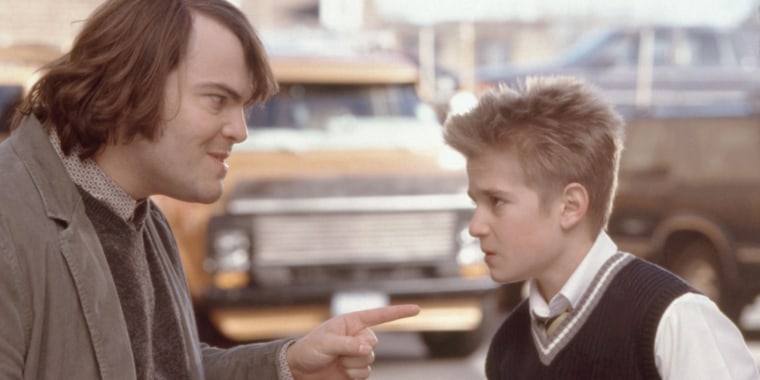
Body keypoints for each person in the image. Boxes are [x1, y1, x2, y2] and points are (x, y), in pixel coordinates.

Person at [0, 0, 419, 379]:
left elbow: (165, 367)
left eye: (244, 107)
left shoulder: (141, 216)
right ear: (129, 88)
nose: (240, 130)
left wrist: (286, 366)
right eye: (217, 100)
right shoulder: (10, 225)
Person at [443, 76, 759, 379]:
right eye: (476, 203)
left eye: (497, 201)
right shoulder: (508, 346)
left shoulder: (673, 320)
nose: (475, 227)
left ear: (570, 207)